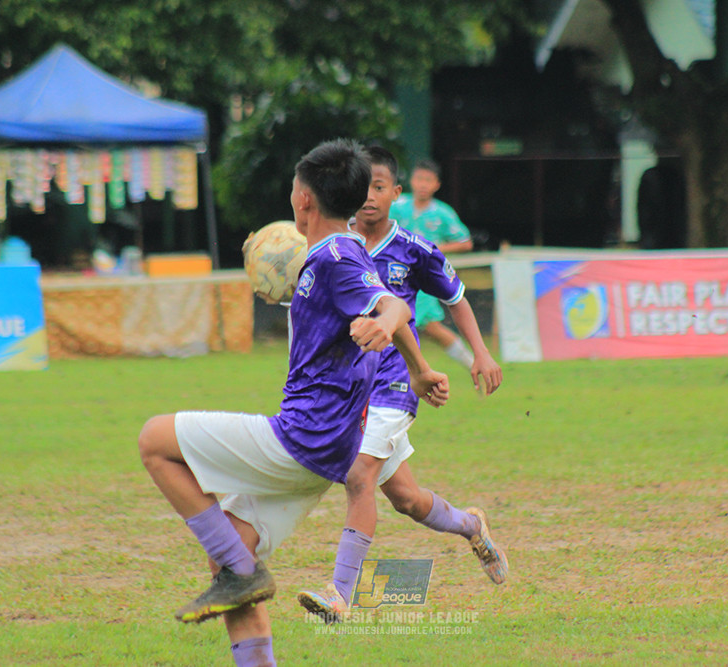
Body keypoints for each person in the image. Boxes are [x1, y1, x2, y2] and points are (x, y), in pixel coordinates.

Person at [138, 138, 450, 667]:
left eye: (292, 187)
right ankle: (240, 575)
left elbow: (393, 303)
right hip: (326, 455)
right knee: (227, 561)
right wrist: (418, 371)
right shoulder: (337, 252)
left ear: (303, 199)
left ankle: (243, 572)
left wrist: (388, 322)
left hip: (301, 439)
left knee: (153, 441)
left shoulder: (333, 255)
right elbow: (380, 303)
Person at [297, 146, 507, 623]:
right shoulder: (337, 246)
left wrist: (481, 352)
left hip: (395, 381)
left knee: (358, 476)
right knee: (408, 501)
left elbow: (456, 298)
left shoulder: (414, 249)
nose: (369, 197)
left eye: (378, 187)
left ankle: (339, 596)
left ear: (397, 193)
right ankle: (471, 525)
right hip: (348, 386)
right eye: (362, 187)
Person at [390, 158, 477, 368]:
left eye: (428, 180)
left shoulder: (443, 213)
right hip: (393, 276)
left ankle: (473, 363)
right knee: (398, 326)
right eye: (419, 179)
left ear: (437, 185)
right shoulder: (397, 206)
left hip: (422, 281)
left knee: (427, 327)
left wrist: (435, 249)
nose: (422, 184)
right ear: (411, 180)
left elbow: (465, 242)